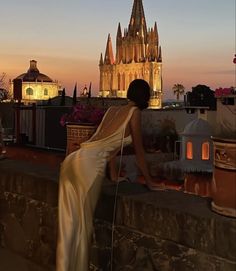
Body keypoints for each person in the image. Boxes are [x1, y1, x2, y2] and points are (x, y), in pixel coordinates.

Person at [56, 79, 163, 271]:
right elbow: (139, 151)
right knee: (83, 228)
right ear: (145, 97)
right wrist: (150, 182)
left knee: (67, 228)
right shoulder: (134, 113)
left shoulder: (113, 110)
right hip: (89, 165)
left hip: (73, 160)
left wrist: (113, 176)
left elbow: (108, 146)